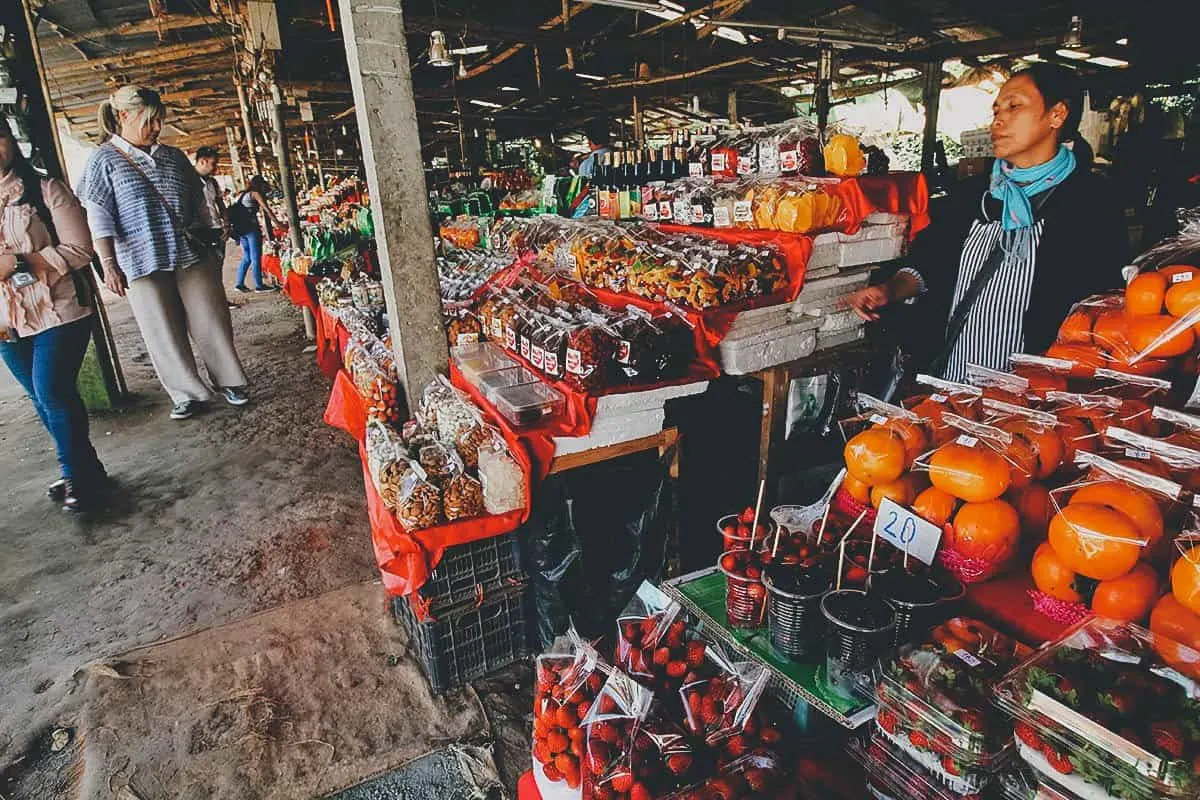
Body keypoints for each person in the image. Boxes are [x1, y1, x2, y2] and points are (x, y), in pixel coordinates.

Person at [845, 65, 1129, 381]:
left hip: (1034, 401)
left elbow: (1101, 311)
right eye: (996, 109)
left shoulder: (1092, 203)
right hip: (952, 385)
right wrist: (889, 290)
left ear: (1057, 115)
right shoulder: (971, 194)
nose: (997, 120)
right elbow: (931, 261)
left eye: (1014, 106)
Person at [76, 85, 250, 421]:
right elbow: (98, 214)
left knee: (210, 318)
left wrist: (213, 239)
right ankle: (187, 392)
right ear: (124, 116)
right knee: (160, 327)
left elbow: (199, 202)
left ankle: (230, 380)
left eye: (160, 121)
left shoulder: (172, 157)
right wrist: (108, 264)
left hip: (189, 250)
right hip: (139, 259)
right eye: (150, 120)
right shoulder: (103, 158)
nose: (157, 128)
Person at [0, 119, 106, 511]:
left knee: (53, 392)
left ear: (10, 140)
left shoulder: (46, 190)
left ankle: (74, 476)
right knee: (39, 398)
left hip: (59, 310)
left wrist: (19, 261)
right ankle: (86, 468)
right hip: (6, 321)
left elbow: (81, 249)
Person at [226, 175, 282, 293]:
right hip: (251, 228)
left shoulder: (241, 194)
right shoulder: (255, 193)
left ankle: (239, 284)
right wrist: (278, 223)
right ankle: (259, 285)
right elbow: (266, 209)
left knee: (247, 257)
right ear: (260, 184)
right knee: (256, 257)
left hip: (241, 229)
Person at [193, 145, 227, 245]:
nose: (215, 168)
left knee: (218, 260)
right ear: (202, 161)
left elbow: (220, 203)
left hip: (216, 228)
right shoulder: (186, 180)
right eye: (213, 164)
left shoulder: (213, 182)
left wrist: (227, 224)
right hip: (198, 232)